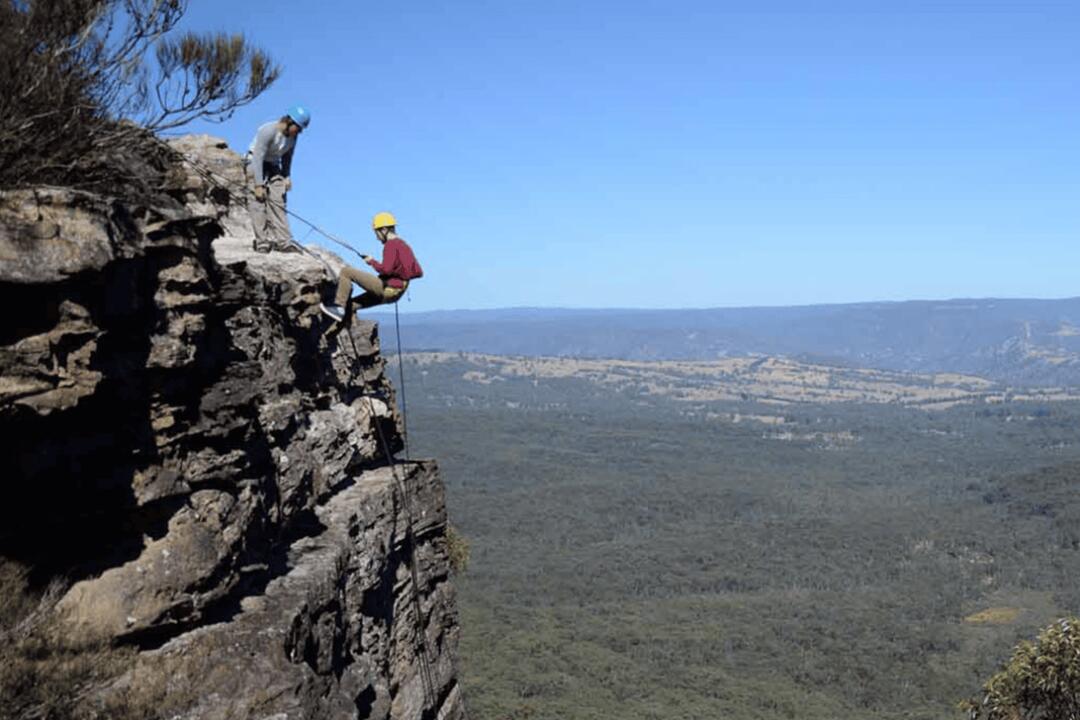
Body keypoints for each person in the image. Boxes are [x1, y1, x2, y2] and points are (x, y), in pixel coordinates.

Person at [321, 212, 423, 322]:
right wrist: (398, 276)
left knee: (346, 272)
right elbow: (418, 272)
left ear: (384, 230)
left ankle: (339, 307)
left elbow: (386, 269)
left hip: (387, 289)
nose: (377, 238)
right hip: (396, 293)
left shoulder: (391, 245)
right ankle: (331, 332)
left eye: (377, 233)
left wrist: (371, 261)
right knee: (350, 306)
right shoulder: (403, 245)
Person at [247, 105, 311, 253]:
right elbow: (258, 157)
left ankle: (285, 242)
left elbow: (287, 158)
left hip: (273, 165)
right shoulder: (268, 130)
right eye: (298, 128)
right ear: (289, 122)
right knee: (258, 202)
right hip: (255, 163)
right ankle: (262, 241)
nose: (299, 132)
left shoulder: (292, 138)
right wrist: (258, 184)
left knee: (279, 201)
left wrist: (287, 176)